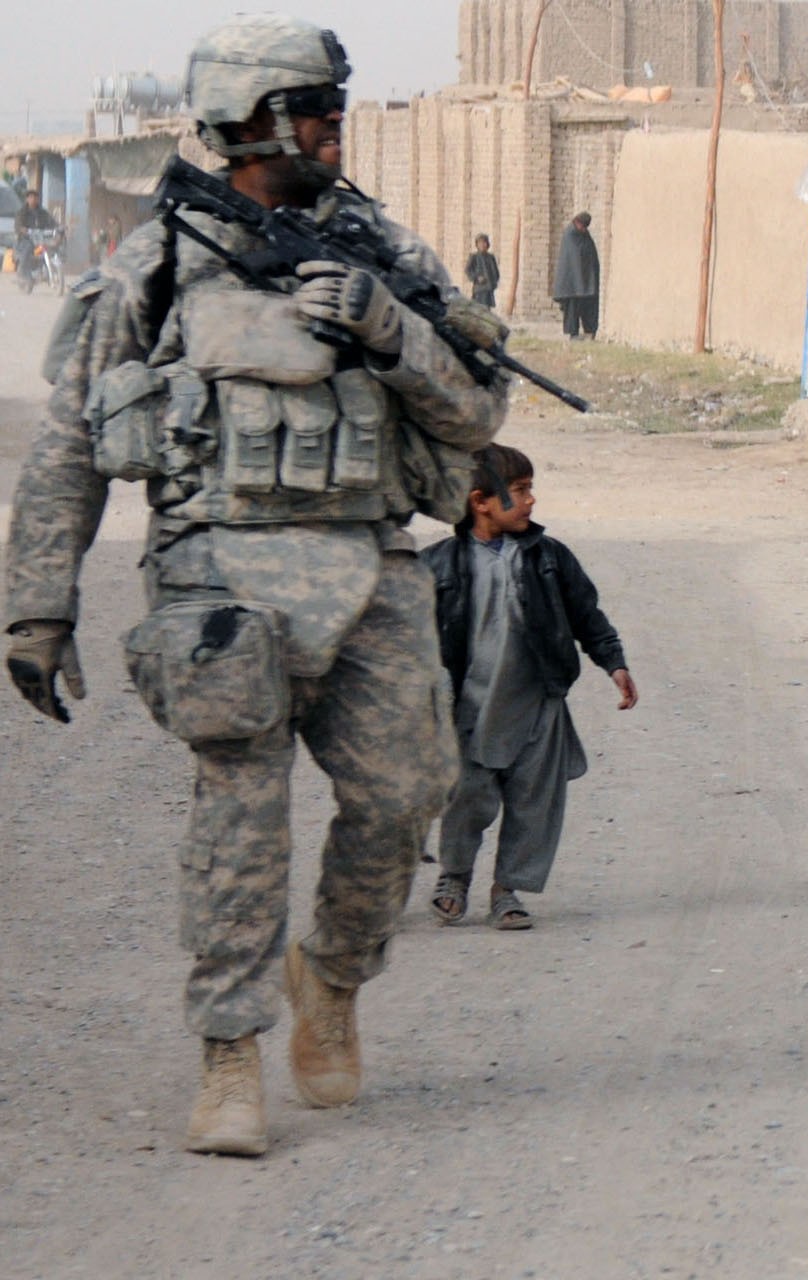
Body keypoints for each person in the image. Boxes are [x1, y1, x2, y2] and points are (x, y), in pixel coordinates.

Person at [3, 14, 509, 1157]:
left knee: (405, 793)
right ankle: (229, 1052)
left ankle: (330, 976)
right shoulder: (160, 262)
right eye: (319, 111)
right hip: (217, 569)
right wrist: (40, 602)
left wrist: (392, 336)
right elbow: (71, 439)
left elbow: (477, 416)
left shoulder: (386, 252)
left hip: (366, 565)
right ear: (266, 122)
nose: (337, 129)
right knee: (241, 821)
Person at [421, 444, 637, 930]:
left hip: (539, 708)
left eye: (530, 489)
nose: (532, 501)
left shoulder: (550, 558)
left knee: (534, 805)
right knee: (466, 800)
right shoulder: (437, 565)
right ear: (480, 501)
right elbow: (408, 638)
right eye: (520, 491)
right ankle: (454, 877)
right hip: (470, 711)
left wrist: (613, 663)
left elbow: (587, 614)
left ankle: (508, 890)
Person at [552, 211, 600, 339]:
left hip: (586, 281)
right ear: (577, 222)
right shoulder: (570, 235)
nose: (583, 229)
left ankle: (590, 331)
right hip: (572, 284)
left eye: (585, 227)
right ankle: (573, 333)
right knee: (573, 308)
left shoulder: (585, 236)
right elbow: (571, 260)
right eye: (582, 226)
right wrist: (578, 280)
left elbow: (590, 256)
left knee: (589, 306)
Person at [14, 188, 59, 282]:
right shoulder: (22, 212)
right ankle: (22, 272)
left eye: (35, 197)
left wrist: (58, 227)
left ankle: (48, 270)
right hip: (26, 239)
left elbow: (51, 222)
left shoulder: (42, 212)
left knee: (53, 247)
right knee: (28, 247)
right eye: (31, 197)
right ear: (27, 199)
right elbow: (18, 225)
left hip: (40, 239)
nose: (33, 199)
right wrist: (23, 229)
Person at [465, 232, 499, 308]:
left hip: (489, 288)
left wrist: (494, 282)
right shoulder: (474, 257)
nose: (483, 245)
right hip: (479, 289)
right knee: (479, 309)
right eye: (480, 243)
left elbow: (496, 272)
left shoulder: (491, 257)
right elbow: (468, 270)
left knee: (487, 309)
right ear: (477, 245)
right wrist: (477, 277)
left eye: (484, 242)